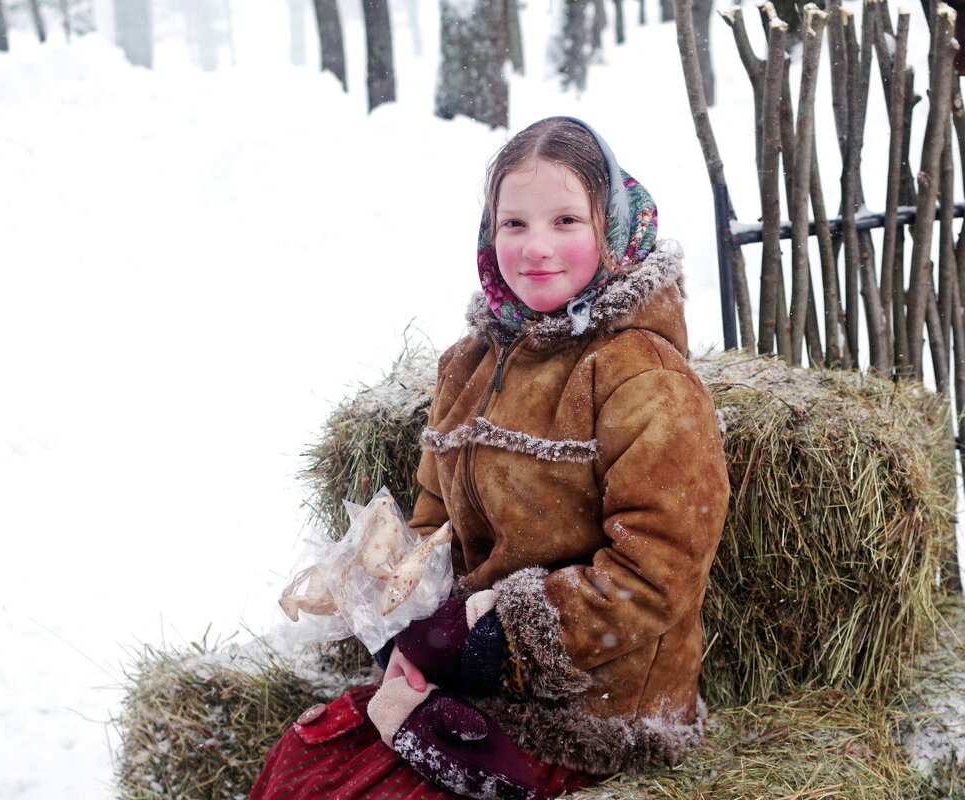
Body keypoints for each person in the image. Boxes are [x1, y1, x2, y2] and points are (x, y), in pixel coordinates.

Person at [249, 117, 729, 800]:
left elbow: (656, 575)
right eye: (514, 224)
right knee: (305, 759)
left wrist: (484, 638)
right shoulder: (468, 364)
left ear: (615, 228)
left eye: (566, 220)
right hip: (469, 679)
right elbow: (432, 524)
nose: (536, 248)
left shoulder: (643, 378)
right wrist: (398, 623)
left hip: (591, 712)